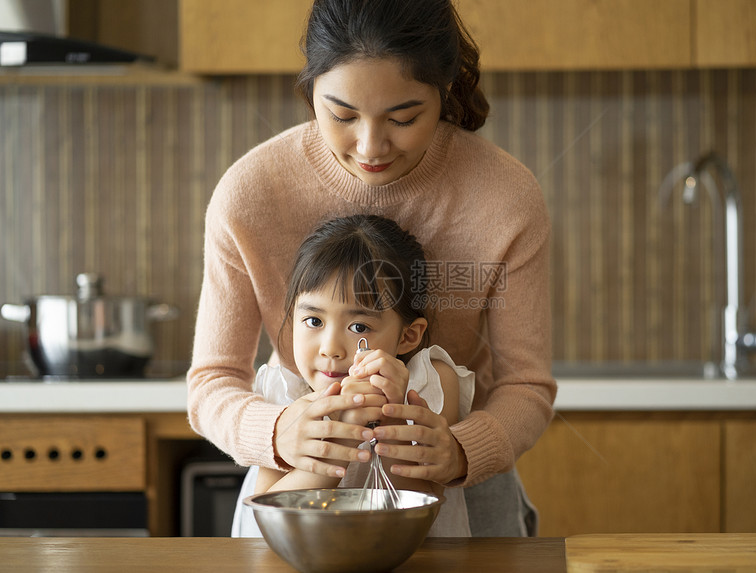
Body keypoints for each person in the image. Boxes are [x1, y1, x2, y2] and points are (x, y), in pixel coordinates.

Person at [187, 0, 555, 536]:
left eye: (403, 118)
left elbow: (526, 385)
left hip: (466, 492)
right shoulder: (248, 196)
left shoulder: (507, 198)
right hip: (300, 471)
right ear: (310, 87)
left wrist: (456, 451)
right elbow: (212, 382)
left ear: (446, 90)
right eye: (341, 115)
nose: (370, 146)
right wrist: (280, 431)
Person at [232, 214, 475, 537]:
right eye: (314, 322)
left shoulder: (431, 384)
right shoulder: (285, 394)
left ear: (408, 336)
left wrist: (391, 416)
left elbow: (418, 508)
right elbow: (270, 514)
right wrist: (343, 433)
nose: (330, 348)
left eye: (359, 327)